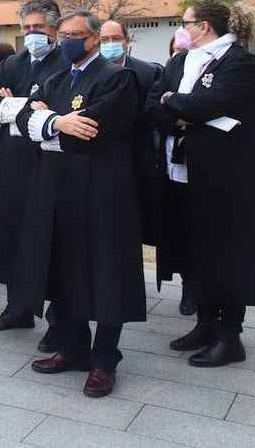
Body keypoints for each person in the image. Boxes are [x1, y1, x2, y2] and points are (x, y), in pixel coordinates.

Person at [12, 10, 146, 398]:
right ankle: (72, 347)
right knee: (63, 265)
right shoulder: (53, 78)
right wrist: (57, 122)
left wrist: (50, 124)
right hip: (57, 189)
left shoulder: (116, 77)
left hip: (104, 189)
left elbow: (95, 128)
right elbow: (22, 120)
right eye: (62, 34)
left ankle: (104, 359)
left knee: (107, 271)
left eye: (75, 34)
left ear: (93, 38)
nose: (66, 40)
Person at [147, 0, 255, 367]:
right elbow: (152, 107)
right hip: (181, 172)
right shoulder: (179, 62)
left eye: (185, 22)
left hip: (225, 178)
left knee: (226, 253)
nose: (182, 28)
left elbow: (212, 103)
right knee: (193, 249)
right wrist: (178, 110)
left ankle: (229, 335)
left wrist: (175, 103)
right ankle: (204, 322)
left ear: (203, 26)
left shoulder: (242, 64)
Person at [0, 0, 68, 347]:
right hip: (15, 163)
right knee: (14, 233)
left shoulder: (66, 62)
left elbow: (59, 106)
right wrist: (18, 104)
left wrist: (18, 104)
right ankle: (17, 309)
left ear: (55, 30)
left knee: (50, 239)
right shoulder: (14, 62)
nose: (32, 34)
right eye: (27, 28)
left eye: (39, 28)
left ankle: (59, 322)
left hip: (51, 162)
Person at [100, 19, 170, 306]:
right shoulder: (89, 72)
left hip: (137, 161)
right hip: (102, 161)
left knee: (139, 227)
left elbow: (154, 117)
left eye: (115, 38)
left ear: (127, 40)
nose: (109, 45)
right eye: (104, 39)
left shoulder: (146, 71)